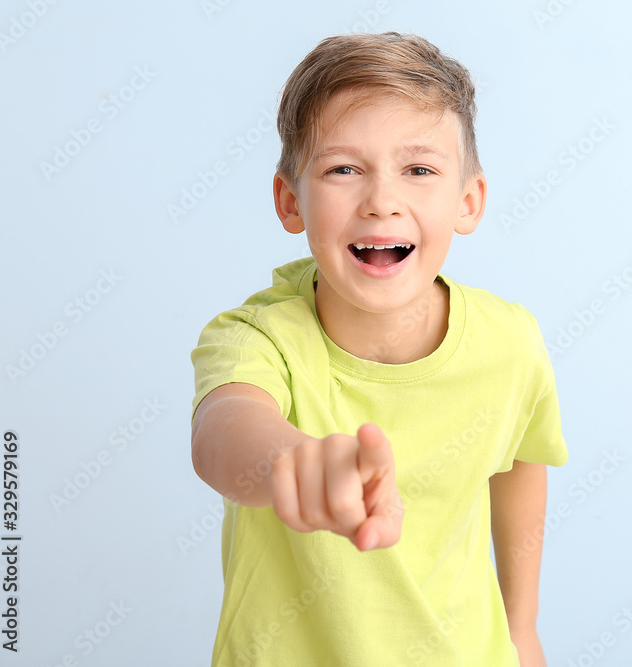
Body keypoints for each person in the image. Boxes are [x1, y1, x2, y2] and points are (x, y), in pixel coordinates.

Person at [189, 31, 569, 666]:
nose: (382, 201)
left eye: (419, 170)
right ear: (291, 202)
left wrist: (522, 626)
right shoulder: (259, 339)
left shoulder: (510, 343)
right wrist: (293, 463)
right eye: (343, 169)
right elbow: (223, 431)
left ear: (468, 201)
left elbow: (523, 462)